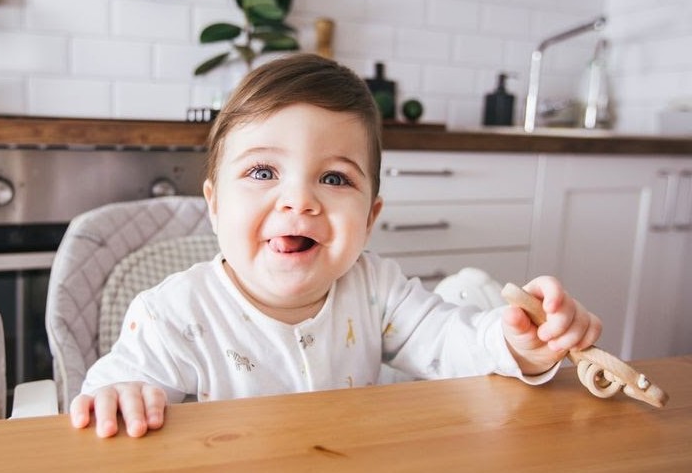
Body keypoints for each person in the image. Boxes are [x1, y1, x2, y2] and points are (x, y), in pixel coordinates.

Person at [71, 53, 601, 438]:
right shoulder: (175, 313)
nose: (299, 201)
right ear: (214, 205)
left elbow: (451, 343)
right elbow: (115, 387)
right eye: (262, 171)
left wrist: (521, 348)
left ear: (370, 219)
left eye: (335, 178)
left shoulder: (378, 290)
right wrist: (120, 395)